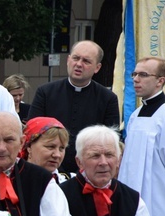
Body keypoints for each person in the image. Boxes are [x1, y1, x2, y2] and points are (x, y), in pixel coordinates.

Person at [27, 40, 120, 173]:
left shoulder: (108, 98)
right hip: (49, 168)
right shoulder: (46, 92)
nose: (78, 64)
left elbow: (110, 140)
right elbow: (33, 132)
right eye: (76, 58)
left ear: (97, 68)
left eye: (86, 61)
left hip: (88, 172)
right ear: (68, 60)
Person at [119, 56, 165, 216]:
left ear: (160, 81)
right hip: (133, 201)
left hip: (159, 206)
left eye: (143, 75)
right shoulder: (136, 114)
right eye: (134, 74)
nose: (136, 79)